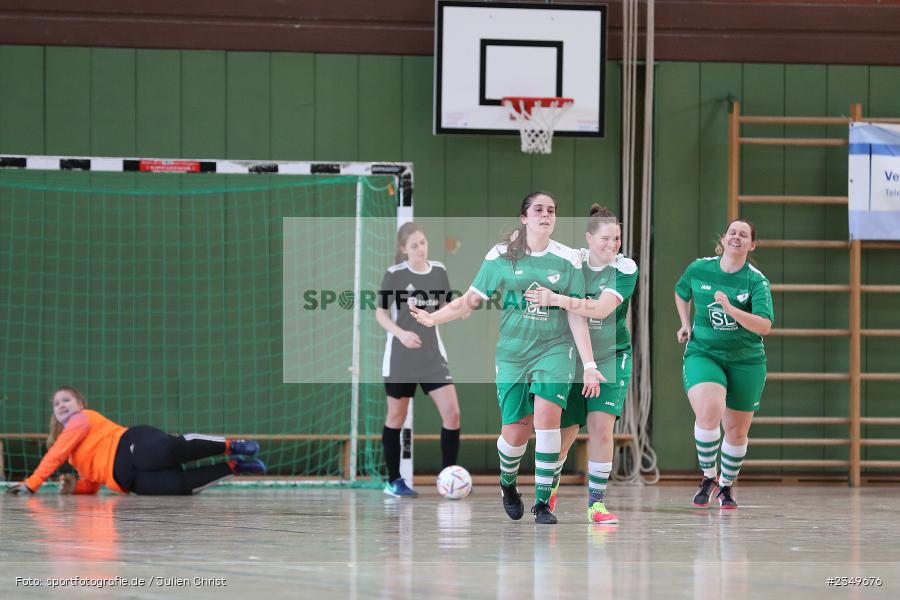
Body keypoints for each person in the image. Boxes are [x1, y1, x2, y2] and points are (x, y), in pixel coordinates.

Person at [410, 192, 601, 525]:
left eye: (552, 210)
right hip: (513, 354)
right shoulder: (501, 256)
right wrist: (433, 318)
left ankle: (544, 503)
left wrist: (589, 365)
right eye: (538, 209)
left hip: (555, 348)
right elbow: (470, 299)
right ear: (524, 217)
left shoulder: (568, 259)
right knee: (516, 431)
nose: (546, 215)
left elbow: (575, 313)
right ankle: (508, 484)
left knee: (547, 416)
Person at [524, 204, 637, 524]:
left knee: (602, 426)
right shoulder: (570, 264)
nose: (612, 244)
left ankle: (596, 505)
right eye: (605, 238)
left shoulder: (625, 268)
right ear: (589, 238)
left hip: (612, 356)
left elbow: (600, 311)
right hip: (571, 356)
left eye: (617, 238)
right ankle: (547, 491)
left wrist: (556, 298)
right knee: (565, 432)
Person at [674, 219, 773, 509]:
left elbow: (765, 325)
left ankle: (726, 486)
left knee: (737, 431)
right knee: (709, 409)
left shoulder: (756, 281)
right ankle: (708, 477)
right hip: (705, 352)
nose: (737, 237)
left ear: (751, 244)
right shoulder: (700, 268)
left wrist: (731, 309)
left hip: (747, 360)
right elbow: (681, 292)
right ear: (724, 238)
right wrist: (684, 324)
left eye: (744, 235)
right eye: (733, 232)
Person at [5, 386, 264, 496]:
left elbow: (56, 454)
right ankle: (234, 467)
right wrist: (76, 487)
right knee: (179, 487)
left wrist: (32, 484)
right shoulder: (73, 452)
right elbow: (94, 485)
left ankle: (231, 445)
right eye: (56, 403)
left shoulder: (82, 419)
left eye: (66, 400)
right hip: (129, 481)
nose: (61, 405)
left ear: (80, 404)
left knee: (166, 451)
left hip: (131, 445)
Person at [376, 222, 461, 498]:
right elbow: (380, 314)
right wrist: (401, 334)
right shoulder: (395, 275)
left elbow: (445, 306)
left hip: (432, 356)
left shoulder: (438, 271)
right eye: (414, 245)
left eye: (423, 243)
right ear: (404, 249)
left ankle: (449, 478)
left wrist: (460, 310)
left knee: (452, 413)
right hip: (401, 357)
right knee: (396, 417)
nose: (420, 248)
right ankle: (394, 481)